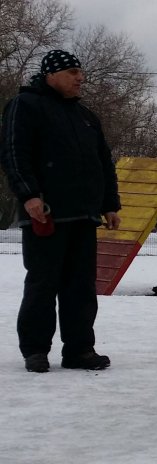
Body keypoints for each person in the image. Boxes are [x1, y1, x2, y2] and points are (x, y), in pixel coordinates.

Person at [0, 49, 121, 373]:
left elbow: (103, 164)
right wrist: (29, 195)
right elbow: (14, 153)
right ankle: (36, 350)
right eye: (72, 72)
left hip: (84, 214)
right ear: (51, 74)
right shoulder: (25, 106)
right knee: (43, 283)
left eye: (80, 72)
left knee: (81, 286)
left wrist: (110, 204)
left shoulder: (86, 116)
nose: (80, 78)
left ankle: (80, 350)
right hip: (45, 213)